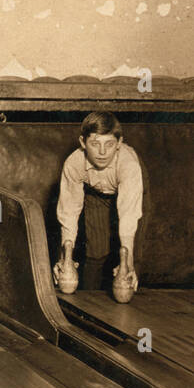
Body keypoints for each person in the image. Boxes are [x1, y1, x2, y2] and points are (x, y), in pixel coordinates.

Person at [54, 111, 144, 293]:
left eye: (109, 144)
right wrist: (66, 257)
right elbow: (69, 211)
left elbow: (128, 216)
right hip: (95, 193)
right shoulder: (74, 163)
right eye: (95, 144)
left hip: (131, 193)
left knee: (130, 253)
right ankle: (89, 301)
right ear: (82, 143)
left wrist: (128, 262)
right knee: (95, 252)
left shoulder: (129, 166)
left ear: (119, 143)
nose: (102, 152)